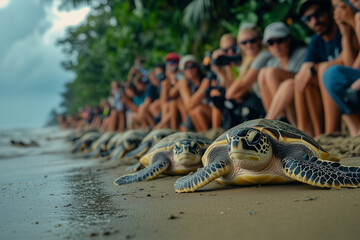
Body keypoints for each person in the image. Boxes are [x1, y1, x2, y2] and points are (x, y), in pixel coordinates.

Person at [294, 0, 343, 137]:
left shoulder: (343, 29)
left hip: (346, 80)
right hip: (332, 86)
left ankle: (331, 132)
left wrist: (314, 68)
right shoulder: (316, 40)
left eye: (318, 14)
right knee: (302, 80)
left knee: (322, 70)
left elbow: (348, 59)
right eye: (308, 18)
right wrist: (307, 71)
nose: (314, 21)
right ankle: (312, 134)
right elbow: (305, 69)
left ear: (329, 12)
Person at [322, 0, 360, 136]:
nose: (340, 10)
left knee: (332, 73)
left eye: (343, 5)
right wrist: (346, 32)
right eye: (336, 7)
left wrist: (355, 21)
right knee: (329, 73)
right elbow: (351, 65)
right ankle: (354, 126)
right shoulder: (353, 23)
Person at [258, 22, 307, 125]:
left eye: (279, 41)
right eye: (271, 43)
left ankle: (272, 121)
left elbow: (301, 80)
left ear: (288, 39)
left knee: (284, 81)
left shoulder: (302, 53)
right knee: (263, 72)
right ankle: (278, 118)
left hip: (303, 100)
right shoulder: (273, 62)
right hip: (286, 105)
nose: (275, 46)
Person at [177, 54, 211, 132]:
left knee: (197, 110)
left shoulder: (206, 79)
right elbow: (188, 106)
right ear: (183, 71)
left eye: (192, 66)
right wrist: (183, 87)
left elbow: (189, 104)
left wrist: (204, 86)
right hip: (195, 117)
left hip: (211, 113)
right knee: (193, 111)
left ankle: (207, 136)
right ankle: (203, 135)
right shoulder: (186, 84)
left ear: (197, 67)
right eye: (186, 68)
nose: (189, 70)